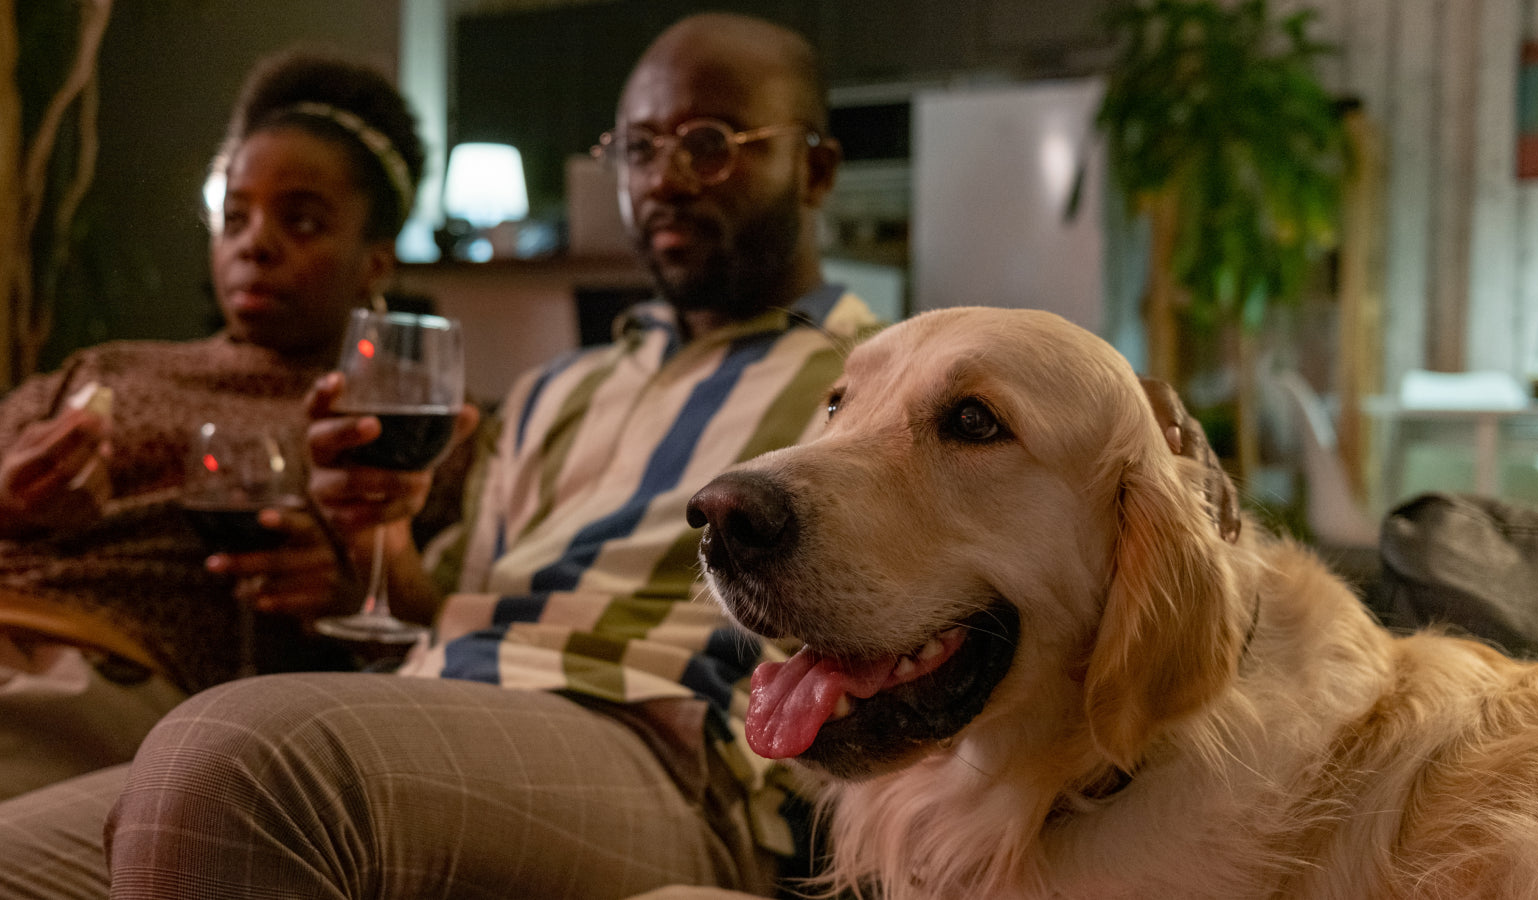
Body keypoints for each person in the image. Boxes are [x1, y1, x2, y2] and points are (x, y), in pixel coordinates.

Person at [0, 14, 1231, 899]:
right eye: (636, 151)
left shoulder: (884, 381)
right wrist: (369, 551)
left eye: (708, 142)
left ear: (811, 168)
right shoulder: (557, 389)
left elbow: (1114, 488)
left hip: (657, 746)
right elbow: (456, 596)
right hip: (447, 694)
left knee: (233, 754)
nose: (661, 182)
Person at [0, 50, 432, 805]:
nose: (254, 244)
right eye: (235, 216)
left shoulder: (386, 435)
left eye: (300, 220)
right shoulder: (105, 366)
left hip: (94, 680)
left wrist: (342, 588)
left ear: (375, 261)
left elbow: (425, 622)